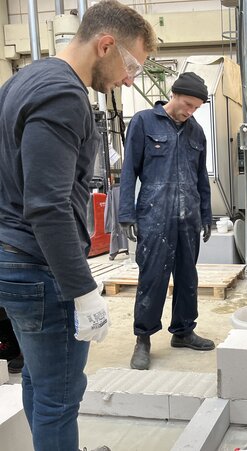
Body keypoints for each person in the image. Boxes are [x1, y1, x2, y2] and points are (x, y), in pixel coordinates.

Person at [0, 1, 157, 449]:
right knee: (60, 396)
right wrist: (83, 291)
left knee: (39, 379)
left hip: (13, 260)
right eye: (131, 66)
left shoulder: (21, 81)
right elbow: (47, 206)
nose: (129, 79)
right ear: (105, 45)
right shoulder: (63, 95)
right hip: (38, 267)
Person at [119, 72, 214, 371]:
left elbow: (201, 178)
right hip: (154, 215)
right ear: (174, 95)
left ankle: (183, 331)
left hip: (188, 217)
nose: (190, 112)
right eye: (188, 104)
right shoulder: (144, 122)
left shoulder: (196, 132)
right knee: (152, 279)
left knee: (187, 277)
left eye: (196, 108)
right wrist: (126, 213)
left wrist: (206, 215)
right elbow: (128, 171)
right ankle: (143, 339)